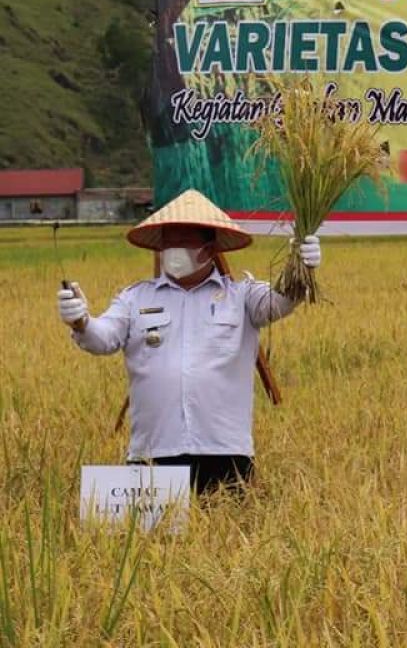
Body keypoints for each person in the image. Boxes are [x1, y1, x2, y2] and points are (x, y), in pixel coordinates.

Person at [56, 189, 321, 494]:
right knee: (149, 541)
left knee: (227, 537)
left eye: (184, 240)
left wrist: (303, 268)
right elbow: (102, 338)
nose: (174, 248)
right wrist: (80, 320)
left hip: (224, 452)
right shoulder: (135, 297)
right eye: (169, 240)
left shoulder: (241, 296)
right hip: (153, 452)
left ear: (208, 249)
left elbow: (282, 301)